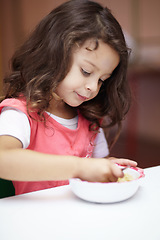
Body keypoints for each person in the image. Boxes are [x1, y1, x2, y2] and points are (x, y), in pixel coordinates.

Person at [0, 0, 137, 195]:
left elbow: (93, 166)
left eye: (102, 80)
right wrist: (79, 166)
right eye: (86, 71)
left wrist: (107, 167)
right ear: (54, 53)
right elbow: (3, 160)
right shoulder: (20, 113)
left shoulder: (89, 119)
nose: (92, 87)